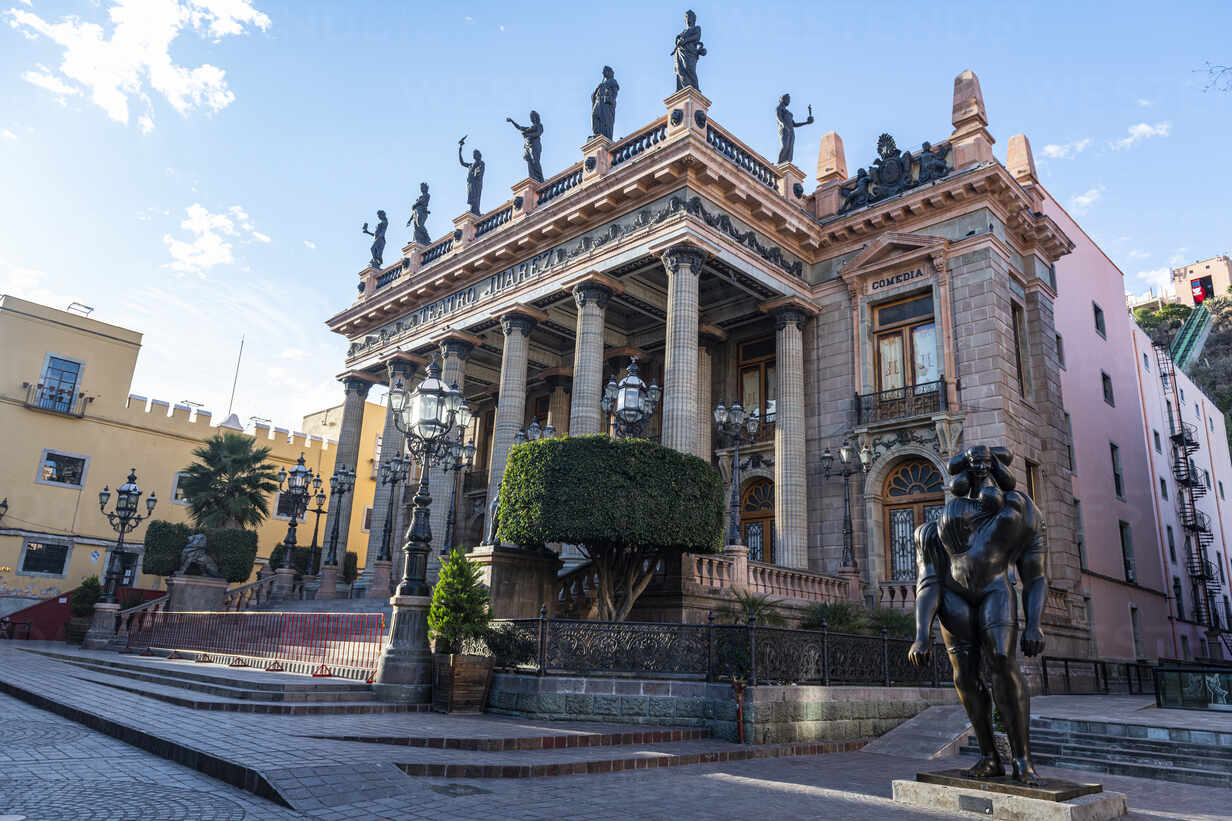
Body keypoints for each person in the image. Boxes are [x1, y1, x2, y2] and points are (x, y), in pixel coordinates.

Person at [908, 445, 1047, 786]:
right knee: (964, 677)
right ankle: (988, 757)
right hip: (954, 596)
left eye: (987, 469)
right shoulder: (934, 529)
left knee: (1001, 658)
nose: (981, 477)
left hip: (995, 590)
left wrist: (1035, 625)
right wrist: (921, 635)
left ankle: (1021, 760)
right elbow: (928, 583)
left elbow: (1035, 576)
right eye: (975, 470)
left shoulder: (1021, 513)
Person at [672, 10, 706, 92]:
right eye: (686, 17)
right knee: (679, 71)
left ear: (693, 18)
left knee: (689, 68)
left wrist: (685, 40)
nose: (687, 19)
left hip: (690, 52)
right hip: (680, 52)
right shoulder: (683, 31)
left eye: (688, 17)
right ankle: (681, 89)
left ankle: (695, 88)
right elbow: (677, 40)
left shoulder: (697, 28)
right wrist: (678, 40)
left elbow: (697, 37)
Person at [775, 93, 814, 164]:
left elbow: (794, 124)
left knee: (790, 148)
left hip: (791, 130)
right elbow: (778, 118)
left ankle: (787, 163)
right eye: (787, 99)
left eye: (789, 99)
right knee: (785, 146)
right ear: (781, 99)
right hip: (784, 129)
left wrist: (806, 122)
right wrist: (783, 125)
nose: (788, 101)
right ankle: (780, 163)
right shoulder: (779, 108)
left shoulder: (789, 113)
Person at [507, 111, 544, 182]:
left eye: (533, 116)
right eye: (531, 117)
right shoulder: (529, 128)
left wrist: (528, 135)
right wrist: (512, 121)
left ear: (536, 117)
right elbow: (519, 127)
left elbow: (538, 133)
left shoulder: (539, 125)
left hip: (535, 144)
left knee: (535, 160)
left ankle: (540, 178)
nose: (531, 118)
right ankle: (532, 177)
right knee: (528, 160)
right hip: (528, 145)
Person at [457, 138, 485, 215]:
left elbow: (480, 173)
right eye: (473, 154)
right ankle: (473, 210)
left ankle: (475, 211)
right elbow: (462, 163)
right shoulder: (470, 165)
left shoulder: (481, 163)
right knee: (471, 197)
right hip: (470, 183)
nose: (474, 155)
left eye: (475, 154)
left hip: (476, 183)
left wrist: (476, 175)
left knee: (475, 197)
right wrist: (460, 150)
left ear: (478, 155)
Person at [591, 66, 619, 140]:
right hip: (598, 101)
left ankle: (605, 135)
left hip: (605, 103)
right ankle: (596, 133)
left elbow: (615, 93)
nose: (604, 73)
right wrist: (597, 88)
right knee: (595, 115)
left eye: (606, 71)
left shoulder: (612, 81)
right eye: (604, 72)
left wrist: (610, 99)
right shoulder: (602, 83)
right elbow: (593, 96)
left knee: (605, 120)